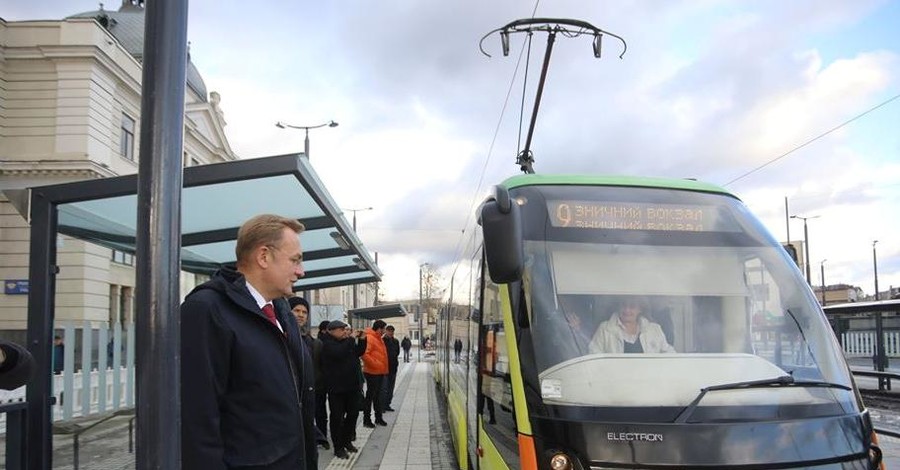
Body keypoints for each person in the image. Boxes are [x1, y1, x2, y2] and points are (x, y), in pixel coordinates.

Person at [180, 214, 316, 469]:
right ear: (263, 256)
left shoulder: (281, 311)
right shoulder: (206, 310)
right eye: (295, 260)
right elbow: (196, 420)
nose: (301, 271)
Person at [320, 320, 366, 459]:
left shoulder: (346, 343)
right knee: (337, 418)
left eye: (346, 329)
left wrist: (363, 340)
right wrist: (352, 338)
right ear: (331, 331)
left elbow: (358, 352)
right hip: (337, 389)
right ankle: (338, 447)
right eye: (342, 330)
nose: (345, 332)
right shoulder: (327, 343)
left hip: (352, 387)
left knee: (352, 415)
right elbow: (338, 353)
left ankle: (347, 442)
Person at [289, 297, 329, 451]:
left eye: (304, 312)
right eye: (296, 311)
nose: (301, 315)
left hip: (310, 391)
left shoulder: (310, 341)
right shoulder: (280, 335)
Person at [588, 297, 675, 354]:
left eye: (632, 306)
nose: (627, 310)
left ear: (640, 309)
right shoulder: (604, 329)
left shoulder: (654, 329)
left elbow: (669, 354)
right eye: (623, 305)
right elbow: (593, 355)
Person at [361, 319, 389, 428]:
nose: (385, 331)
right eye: (384, 329)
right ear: (379, 329)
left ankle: (378, 418)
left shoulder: (378, 338)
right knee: (370, 396)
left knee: (378, 396)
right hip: (372, 372)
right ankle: (366, 419)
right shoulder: (370, 338)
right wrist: (376, 364)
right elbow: (364, 354)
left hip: (379, 372)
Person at [380, 325, 400, 412]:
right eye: (389, 331)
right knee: (384, 388)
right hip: (384, 368)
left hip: (393, 368)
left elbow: (397, 352)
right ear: (386, 331)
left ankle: (387, 404)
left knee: (390, 388)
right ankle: (382, 406)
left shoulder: (395, 341)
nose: (391, 333)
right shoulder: (382, 341)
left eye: (392, 331)